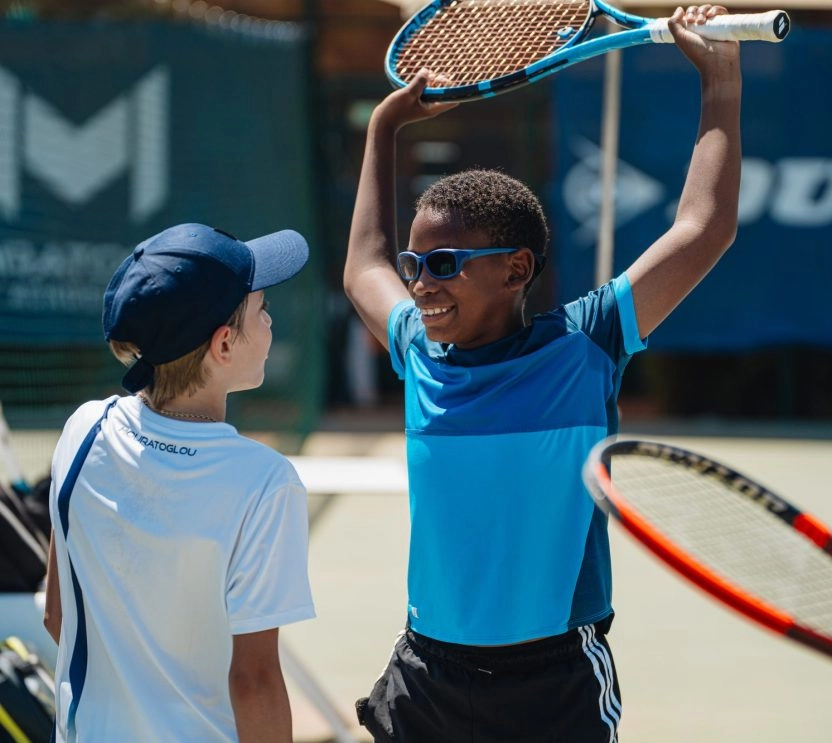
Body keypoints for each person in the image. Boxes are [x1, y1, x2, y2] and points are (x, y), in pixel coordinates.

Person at [343, 6, 741, 742]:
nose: (422, 283)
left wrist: (720, 82)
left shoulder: (586, 344)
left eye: (444, 264)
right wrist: (383, 129)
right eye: (417, 264)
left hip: (554, 684)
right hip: (425, 677)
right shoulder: (420, 352)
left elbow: (703, 227)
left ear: (516, 269)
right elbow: (365, 264)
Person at [43, 223, 316, 743]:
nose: (270, 319)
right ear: (223, 344)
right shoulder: (266, 483)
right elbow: (255, 681)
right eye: (260, 308)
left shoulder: (82, 429)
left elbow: (58, 616)